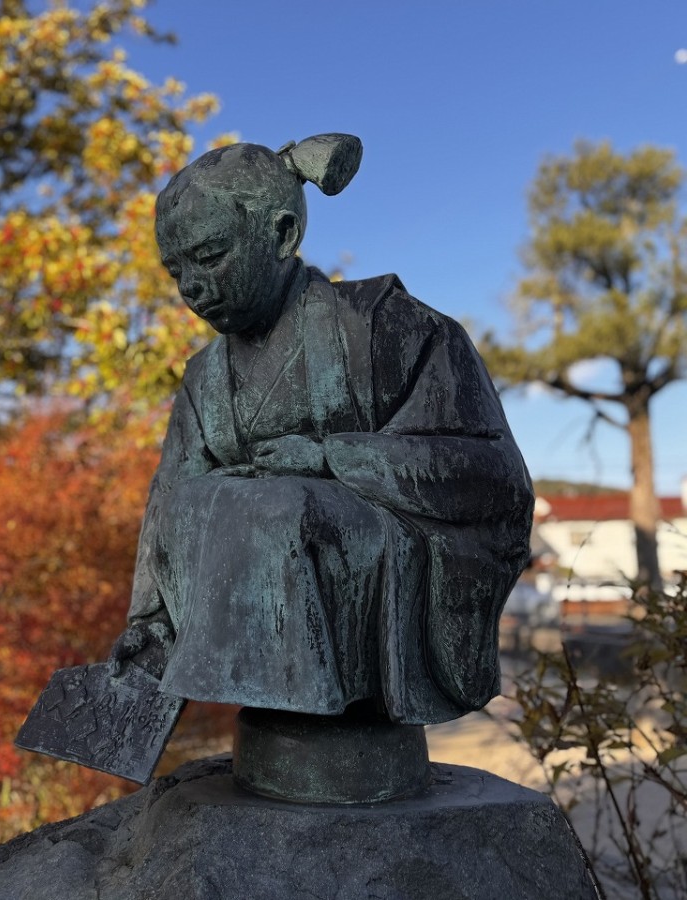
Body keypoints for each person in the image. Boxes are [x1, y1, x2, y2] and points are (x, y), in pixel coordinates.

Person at [109, 137, 534, 725]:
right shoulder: (204, 378)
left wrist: (332, 457)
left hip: (383, 581)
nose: (191, 288)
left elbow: (498, 480)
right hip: (268, 677)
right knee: (197, 503)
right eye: (176, 269)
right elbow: (169, 496)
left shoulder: (388, 327)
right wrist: (150, 623)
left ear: (282, 235)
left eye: (209, 257)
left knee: (279, 507)